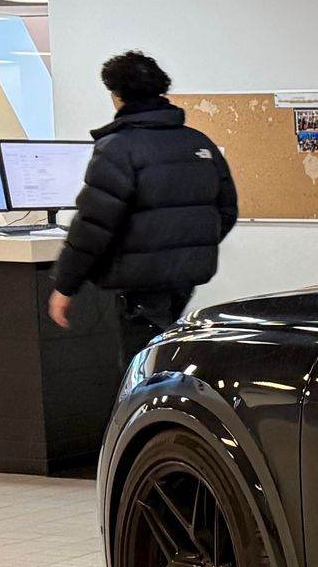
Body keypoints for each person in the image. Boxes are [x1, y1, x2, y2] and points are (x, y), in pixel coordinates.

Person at [49, 52, 238, 358]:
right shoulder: (198, 143)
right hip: (185, 278)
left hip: (136, 283)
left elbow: (93, 226)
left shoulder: (118, 148)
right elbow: (227, 209)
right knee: (167, 356)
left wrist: (65, 285)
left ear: (116, 95)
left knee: (141, 366)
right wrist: (187, 248)